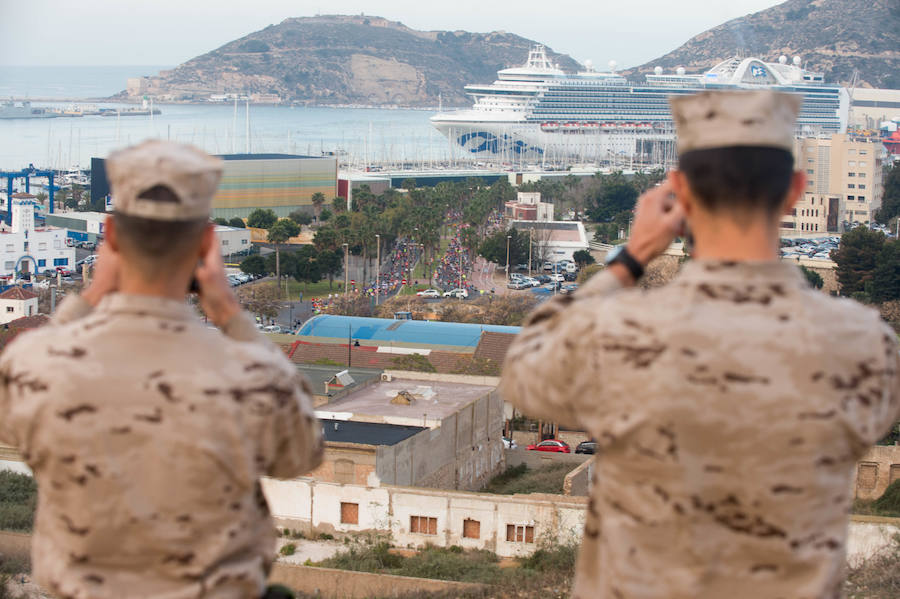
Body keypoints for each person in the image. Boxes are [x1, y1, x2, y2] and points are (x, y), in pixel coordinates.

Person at [500, 90, 899, 599]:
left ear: (680, 194)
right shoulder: (864, 343)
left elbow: (523, 373)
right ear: (796, 191)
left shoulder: (619, 333)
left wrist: (631, 257)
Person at [0, 140, 323, 599]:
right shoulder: (255, 373)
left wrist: (88, 298)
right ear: (207, 245)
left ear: (111, 238)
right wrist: (231, 314)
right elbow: (301, 457)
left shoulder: (38, 364)